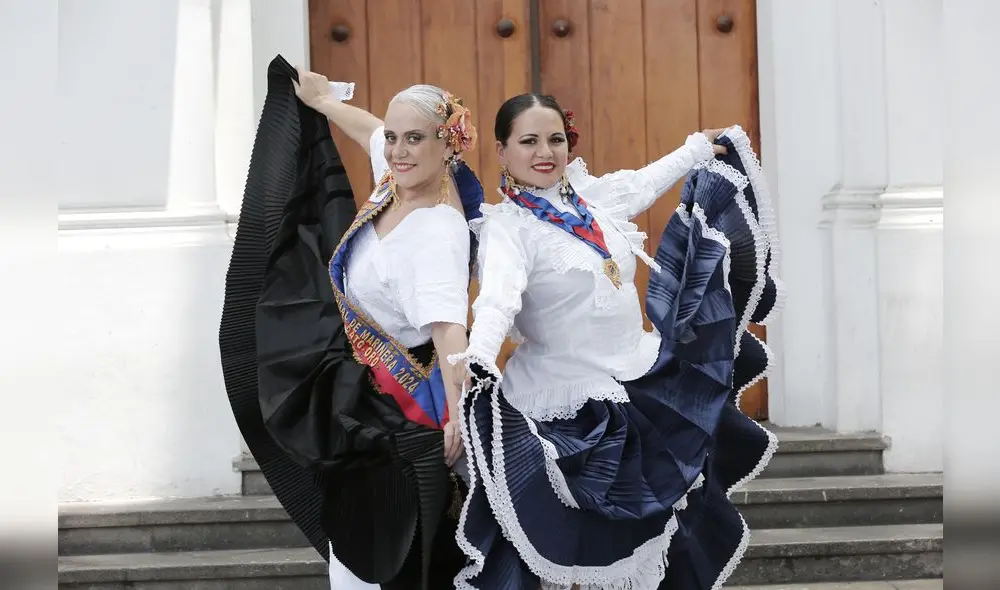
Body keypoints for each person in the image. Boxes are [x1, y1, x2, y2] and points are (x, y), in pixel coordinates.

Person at [448, 94, 783, 589]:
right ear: (501, 152)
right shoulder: (506, 227)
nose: (546, 151)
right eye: (529, 141)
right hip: (569, 403)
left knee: (658, 540)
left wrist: (696, 149)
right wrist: (477, 356)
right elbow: (498, 297)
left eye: (556, 139)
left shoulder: (591, 198)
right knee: (581, 544)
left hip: (641, 381)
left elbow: (644, 182)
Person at [218, 55, 481, 590]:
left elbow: (449, 330)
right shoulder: (394, 183)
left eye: (414, 139)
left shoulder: (437, 231)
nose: (397, 150)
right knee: (358, 546)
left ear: (446, 143)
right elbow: (369, 129)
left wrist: (458, 414)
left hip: (405, 412)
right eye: (394, 138)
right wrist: (322, 103)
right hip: (361, 402)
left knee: (390, 552)